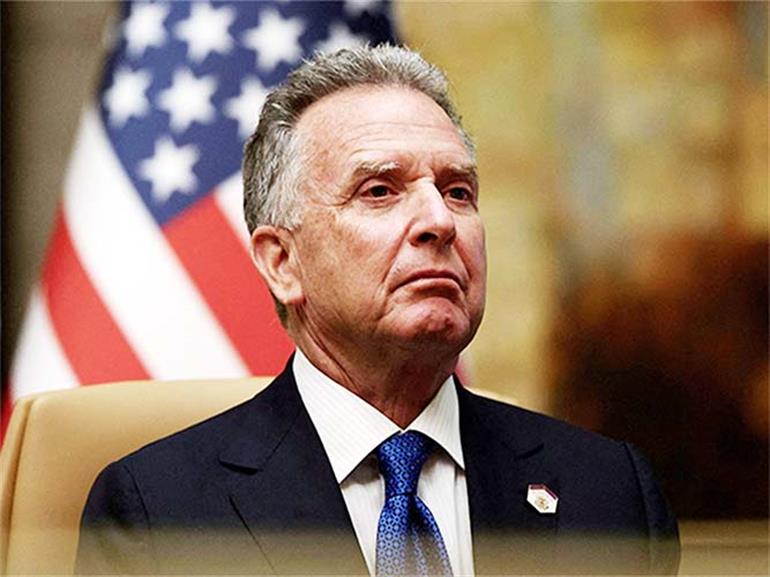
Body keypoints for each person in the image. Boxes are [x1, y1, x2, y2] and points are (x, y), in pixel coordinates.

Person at [76, 44, 680, 575]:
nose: (440, 221)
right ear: (283, 262)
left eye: (458, 191)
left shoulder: (610, 493)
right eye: (380, 191)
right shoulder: (160, 513)